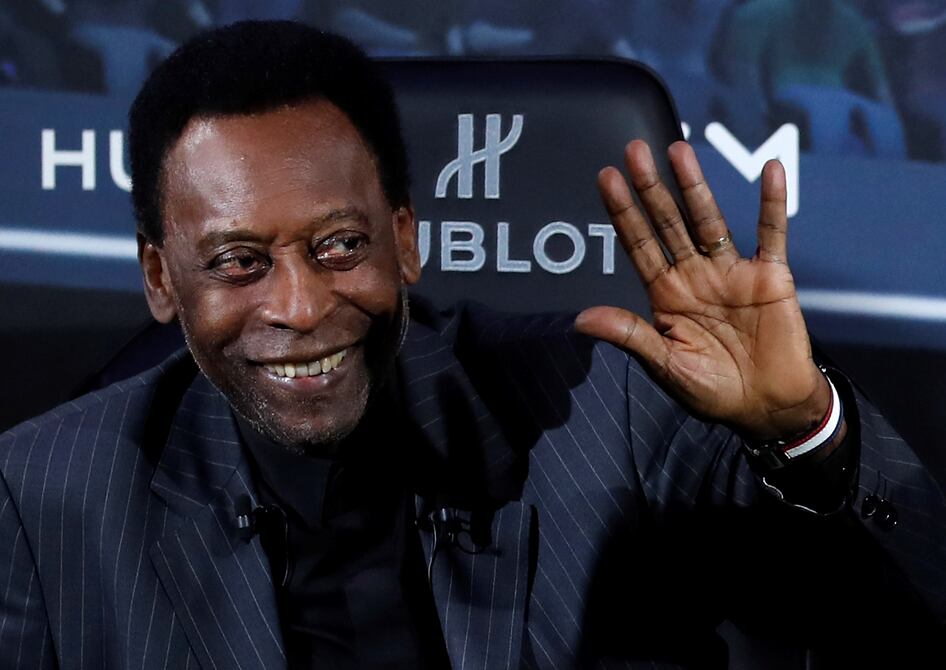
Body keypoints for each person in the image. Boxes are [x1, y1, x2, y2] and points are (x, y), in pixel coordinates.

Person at [0, 20, 943, 670]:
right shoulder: (47, 499)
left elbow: (913, 617)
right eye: (239, 263)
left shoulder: (605, 406)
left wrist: (804, 429)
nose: (300, 305)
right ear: (162, 279)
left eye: (340, 246)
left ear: (405, 239)